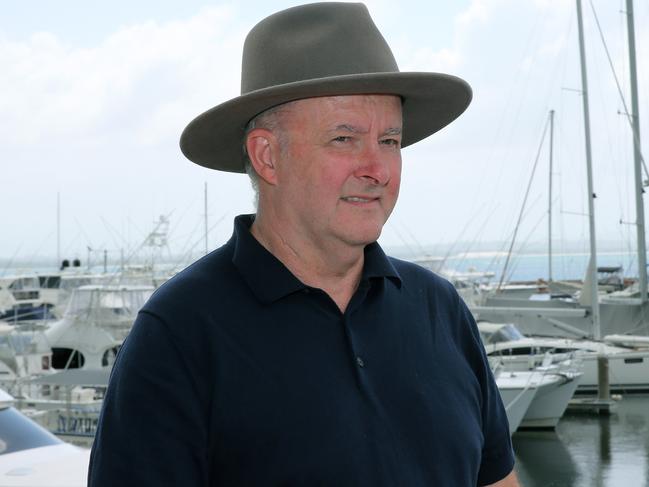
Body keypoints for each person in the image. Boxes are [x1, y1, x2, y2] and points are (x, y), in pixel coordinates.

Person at [88, 3, 519, 486]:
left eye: (391, 141)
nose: (377, 169)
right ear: (267, 156)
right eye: (344, 139)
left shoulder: (440, 308)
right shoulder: (178, 334)